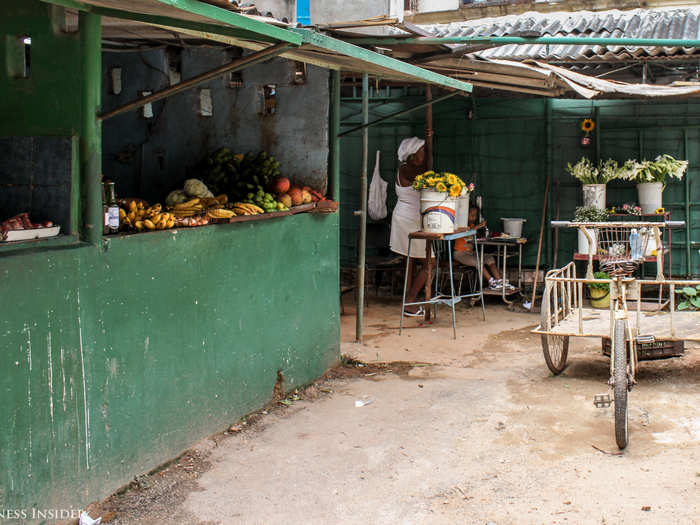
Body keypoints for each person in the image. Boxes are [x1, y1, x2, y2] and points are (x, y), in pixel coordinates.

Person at [390, 137, 431, 317]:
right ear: (413, 154)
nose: (426, 154)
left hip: (410, 218)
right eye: (423, 150)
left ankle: (409, 300)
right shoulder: (407, 170)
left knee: (412, 261)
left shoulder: (413, 168)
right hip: (407, 219)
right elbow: (428, 178)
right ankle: (410, 301)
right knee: (430, 262)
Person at [454, 206, 513, 290]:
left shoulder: (472, 225)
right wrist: (478, 227)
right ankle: (492, 282)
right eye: (472, 215)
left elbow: (474, 234)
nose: (474, 218)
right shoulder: (460, 225)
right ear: (465, 215)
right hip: (460, 254)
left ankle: (500, 281)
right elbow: (466, 232)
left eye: (475, 216)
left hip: (470, 253)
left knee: (489, 258)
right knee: (478, 261)